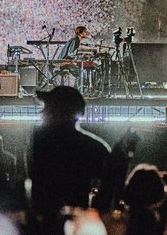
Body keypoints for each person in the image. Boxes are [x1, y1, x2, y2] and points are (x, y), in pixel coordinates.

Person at [28, 84, 112, 218]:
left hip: (46, 226)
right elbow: (112, 177)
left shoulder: (41, 143)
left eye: (48, 107)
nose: (42, 112)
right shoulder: (91, 147)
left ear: (60, 111)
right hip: (76, 225)